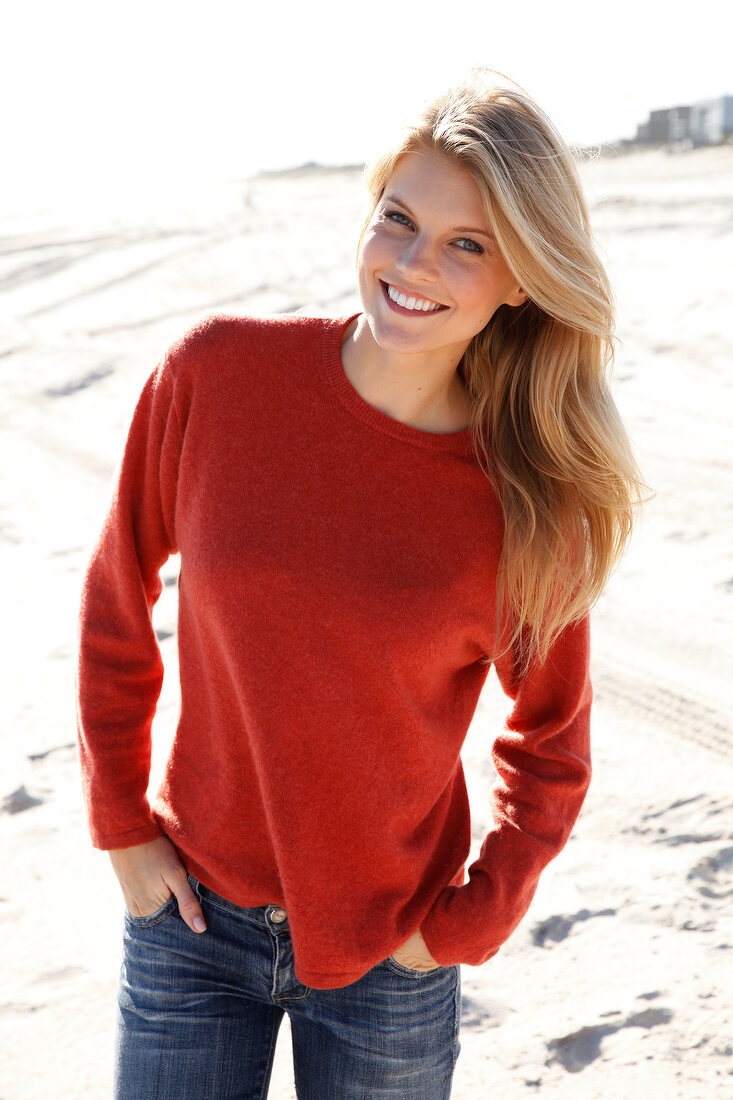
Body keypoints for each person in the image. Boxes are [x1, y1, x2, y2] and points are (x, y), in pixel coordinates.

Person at [76, 70, 642, 1099]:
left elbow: (551, 745)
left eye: (466, 244)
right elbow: (119, 595)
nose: (411, 263)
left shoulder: (528, 498)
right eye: (398, 219)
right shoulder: (215, 376)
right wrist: (119, 819)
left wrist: (467, 920)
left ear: (520, 279)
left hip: (393, 953)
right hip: (190, 921)